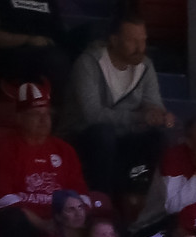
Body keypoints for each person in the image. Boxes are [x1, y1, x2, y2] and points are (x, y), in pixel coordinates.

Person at [63, 16, 175, 199]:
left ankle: (137, 197)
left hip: (123, 135)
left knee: (156, 138)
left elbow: (152, 101)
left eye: (143, 40)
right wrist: (139, 117)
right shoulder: (89, 63)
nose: (140, 47)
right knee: (103, 134)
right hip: (81, 135)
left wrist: (159, 114)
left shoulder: (145, 65)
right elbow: (92, 115)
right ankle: (101, 199)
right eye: (133, 41)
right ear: (114, 41)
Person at [0, 80, 87, 237]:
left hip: (61, 221)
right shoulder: (3, 148)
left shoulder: (64, 150)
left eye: (47, 114)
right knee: (12, 219)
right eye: (35, 115)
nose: (43, 120)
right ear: (19, 118)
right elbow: (1, 198)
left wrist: (68, 220)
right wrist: (42, 224)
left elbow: (78, 190)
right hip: (25, 224)